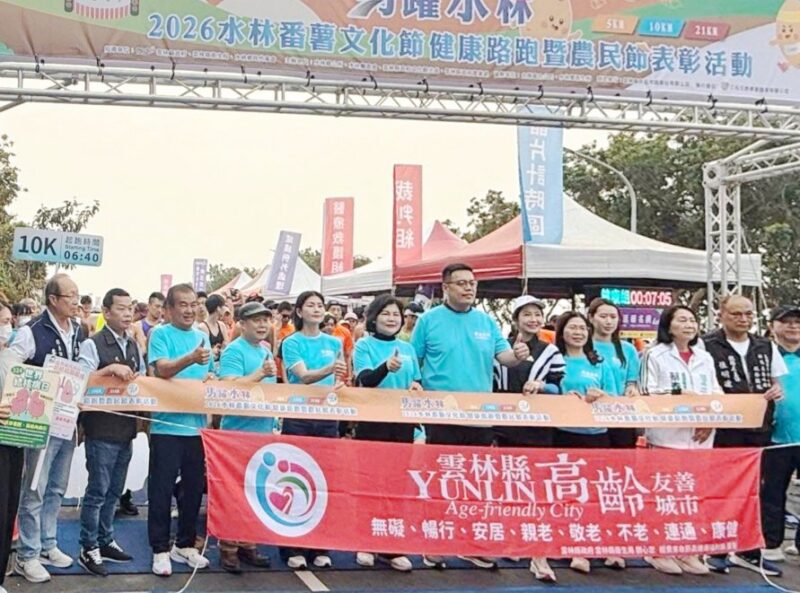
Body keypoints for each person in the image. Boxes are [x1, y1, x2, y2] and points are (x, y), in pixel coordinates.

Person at [411, 263, 529, 569]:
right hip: (441, 416)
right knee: (440, 481)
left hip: (480, 416)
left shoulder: (486, 322)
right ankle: (435, 542)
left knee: (474, 483)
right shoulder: (428, 321)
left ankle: (471, 544)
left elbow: (504, 357)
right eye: (461, 283)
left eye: (472, 283)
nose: (468, 288)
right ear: (445, 287)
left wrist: (517, 356)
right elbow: (414, 361)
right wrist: (416, 385)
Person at [1, 274, 85, 583]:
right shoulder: (31, 331)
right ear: (53, 299)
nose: (76, 301)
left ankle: (48, 543)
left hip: (67, 420)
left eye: (77, 295)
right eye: (70, 296)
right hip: (40, 422)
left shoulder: (77, 329)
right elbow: (9, 366)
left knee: (57, 487)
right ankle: (28, 553)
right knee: (34, 488)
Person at [702, 295, 786, 576]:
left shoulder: (765, 345)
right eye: (736, 314)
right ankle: (715, 549)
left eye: (748, 314)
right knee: (723, 488)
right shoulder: (707, 345)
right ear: (722, 315)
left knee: (755, 490)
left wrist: (776, 391)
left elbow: (777, 382)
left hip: (759, 427)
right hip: (724, 428)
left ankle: (748, 550)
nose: (744, 319)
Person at [639, 305, 719, 576]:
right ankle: (658, 549)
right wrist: (681, 394)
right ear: (668, 326)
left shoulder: (704, 357)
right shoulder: (654, 354)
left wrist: (710, 419)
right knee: (665, 494)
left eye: (693, 320)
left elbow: (716, 392)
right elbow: (648, 392)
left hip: (700, 436)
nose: (689, 325)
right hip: (667, 436)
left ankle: (687, 550)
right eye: (682, 320)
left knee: (694, 495)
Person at [493, 295, 563, 582]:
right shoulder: (500, 350)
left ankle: (539, 555)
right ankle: (512, 540)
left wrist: (542, 386)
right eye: (527, 314)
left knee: (538, 490)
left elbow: (560, 388)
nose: (533, 319)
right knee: (509, 487)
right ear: (515, 319)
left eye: (537, 314)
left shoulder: (550, 351)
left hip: (538, 429)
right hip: (504, 428)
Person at [76, 288, 145, 576]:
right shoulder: (93, 344)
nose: (128, 314)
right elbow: (80, 380)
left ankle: (105, 540)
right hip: (100, 429)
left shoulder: (134, 345)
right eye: (121, 308)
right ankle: (88, 546)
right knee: (97, 492)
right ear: (106, 312)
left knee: (115, 491)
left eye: (130, 308)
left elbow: (142, 381)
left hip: (125, 429)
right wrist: (109, 370)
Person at [147, 284, 214, 577]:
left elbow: (209, 374)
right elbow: (161, 369)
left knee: (193, 490)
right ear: (169, 309)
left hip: (196, 428)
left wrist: (210, 378)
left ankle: (185, 544)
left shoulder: (202, 336)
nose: (189, 310)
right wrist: (190, 358)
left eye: (193, 304)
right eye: (182, 305)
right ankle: (160, 549)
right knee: (161, 490)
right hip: (167, 426)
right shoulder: (160, 334)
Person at [353, 295, 422, 573]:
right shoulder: (364, 345)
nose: (392, 318)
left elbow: (416, 380)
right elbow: (365, 380)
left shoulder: (407, 348)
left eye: (396, 314)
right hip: (372, 422)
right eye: (386, 313)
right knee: (371, 483)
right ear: (374, 318)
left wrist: (416, 386)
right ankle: (365, 541)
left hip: (401, 423)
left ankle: (391, 546)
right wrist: (385, 367)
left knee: (396, 485)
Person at [280, 291, 346, 569]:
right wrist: (330, 368)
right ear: (299, 311)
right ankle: (291, 546)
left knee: (322, 479)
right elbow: (304, 376)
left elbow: (341, 377)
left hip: (327, 416)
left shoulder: (335, 342)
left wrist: (339, 383)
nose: (317, 310)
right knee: (295, 477)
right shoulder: (291, 342)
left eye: (320, 305)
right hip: (298, 417)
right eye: (311, 305)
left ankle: (320, 545)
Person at [552, 311, 616, 574]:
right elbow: (547, 392)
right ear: (562, 332)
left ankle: (601, 544)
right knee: (569, 492)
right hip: (564, 434)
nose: (578, 333)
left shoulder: (598, 362)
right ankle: (574, 546)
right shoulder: (555, 360)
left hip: (597, 435)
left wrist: (600, 395)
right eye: (572, 328)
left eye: (582, 328)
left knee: (596, 492)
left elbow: (614, 396)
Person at [216, 302, 276, 573]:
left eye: (265, 320)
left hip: (262, 431)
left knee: (256, 490)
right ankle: (228, 547)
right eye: (256, 320)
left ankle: (248, 543)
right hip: (237, 433)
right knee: (234, 491)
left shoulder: (265, 350)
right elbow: (228, 388)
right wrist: (260, 373)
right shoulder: (234, 350)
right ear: (241, 324)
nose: (262, 325)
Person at [763, 305, 800, 559]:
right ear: (772, 326)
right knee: (772, 491)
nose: (793, 326)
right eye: (786, 321)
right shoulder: (764, 355)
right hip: (775, 437)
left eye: (797, 321)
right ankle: (771, 543)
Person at [587, 298, 641, 449]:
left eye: (613, 317)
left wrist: (631, 388)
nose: (609, 321)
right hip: (590, 415)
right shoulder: (582, 346)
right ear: (591, 318)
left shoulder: (628, 349)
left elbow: (631, 381)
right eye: (603, 316)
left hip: (621, 415)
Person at [198, 294, 229, 362]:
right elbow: (203, 350)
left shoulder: (221, 325)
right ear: (218, 308)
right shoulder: (202, 327)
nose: (225, 309)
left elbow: (226, 344)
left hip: (222, 361)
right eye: (223, 306)